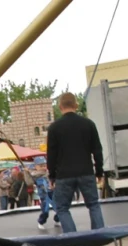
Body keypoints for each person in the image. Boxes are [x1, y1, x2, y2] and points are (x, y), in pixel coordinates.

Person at [47, 92, 105, 233]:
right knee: (93, 205)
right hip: (86, 172)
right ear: (76, 105)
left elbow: (51, 155)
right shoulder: (88, 124)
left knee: (62, 208)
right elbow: (97, 150)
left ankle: (73, 240)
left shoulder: (54, 128)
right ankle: (100, 237)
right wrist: (99, 171)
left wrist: (52, 176)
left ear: (60, 106)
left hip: (64, 175)